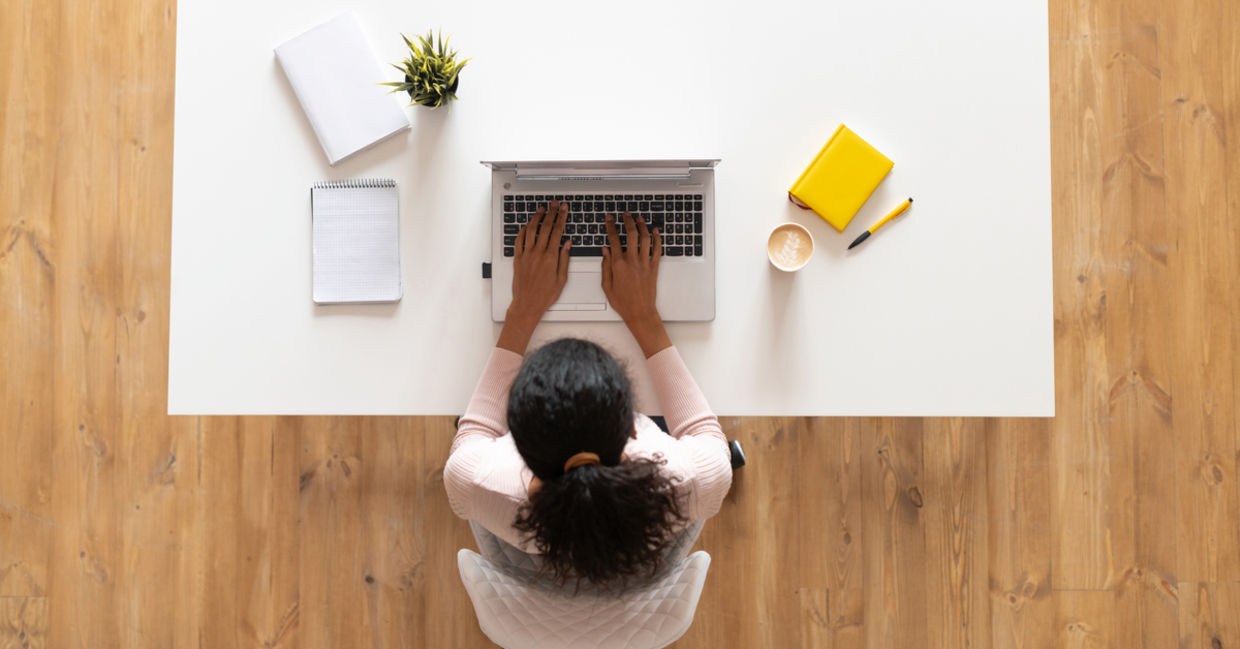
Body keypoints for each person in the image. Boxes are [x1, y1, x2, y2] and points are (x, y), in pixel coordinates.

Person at [444, 199, 733, 589]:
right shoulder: (693, 480)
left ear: (514, 442)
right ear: (634, 430)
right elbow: (704, 433)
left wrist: (523, 310)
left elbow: (474, 432)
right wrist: (643, 315)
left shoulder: (475, 480)